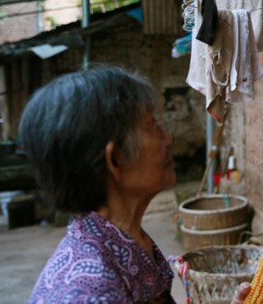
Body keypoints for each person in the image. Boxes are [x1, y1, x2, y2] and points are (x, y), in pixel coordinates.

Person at [21, 65, 177, 303]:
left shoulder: (122, 240)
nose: (167, 139)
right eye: (153, 127)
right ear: (115, 160)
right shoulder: (92, 292)